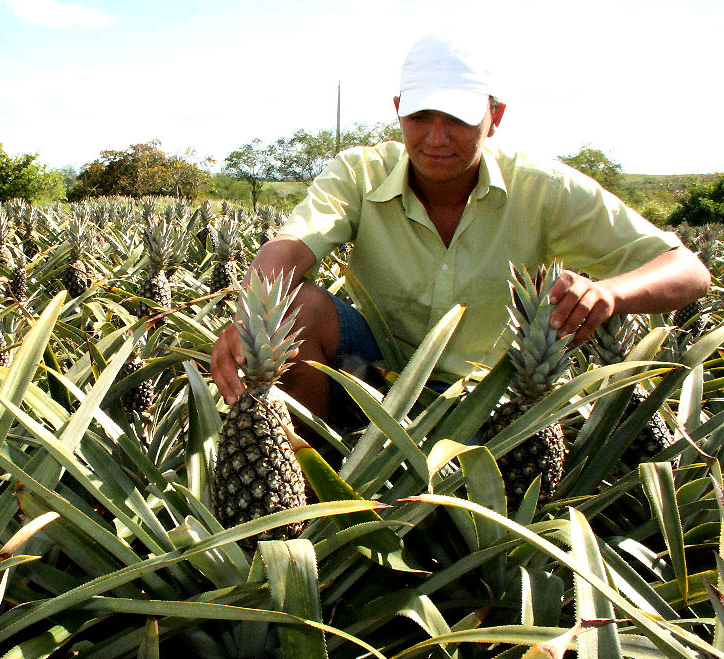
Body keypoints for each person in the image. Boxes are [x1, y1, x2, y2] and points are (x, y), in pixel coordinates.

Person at [210, 33, 710, 427]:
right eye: (420, 115)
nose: (436, 137)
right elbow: (292, 244)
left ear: (495, 117)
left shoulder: (544, 187)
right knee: (293, 307)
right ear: (398, 109)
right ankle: (312, 474)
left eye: (458, 118)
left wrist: (610, 292)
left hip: (489, 397)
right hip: (370, 374)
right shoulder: (359, 171)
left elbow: (688, 270)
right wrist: (251, 315)